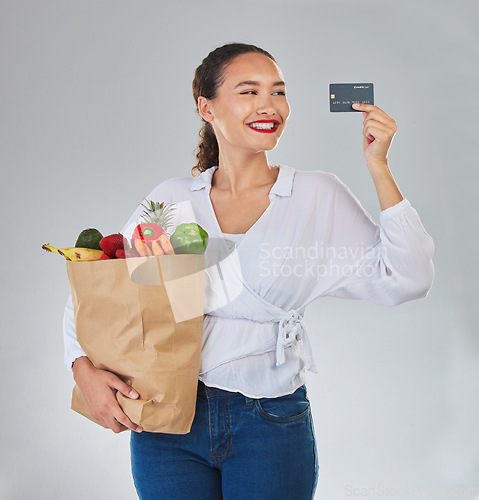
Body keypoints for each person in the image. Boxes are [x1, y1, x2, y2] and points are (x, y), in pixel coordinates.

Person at [63, 42, 435, 499]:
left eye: (278, 92)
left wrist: (378, 167)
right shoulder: (174, 202)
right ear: (206, 107)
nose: (269, 105)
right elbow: (103, 293)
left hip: (271, 423)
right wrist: (80, 367)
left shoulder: (314, 196)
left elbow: (409, 276)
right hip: (167, 419)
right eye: (249, 91)